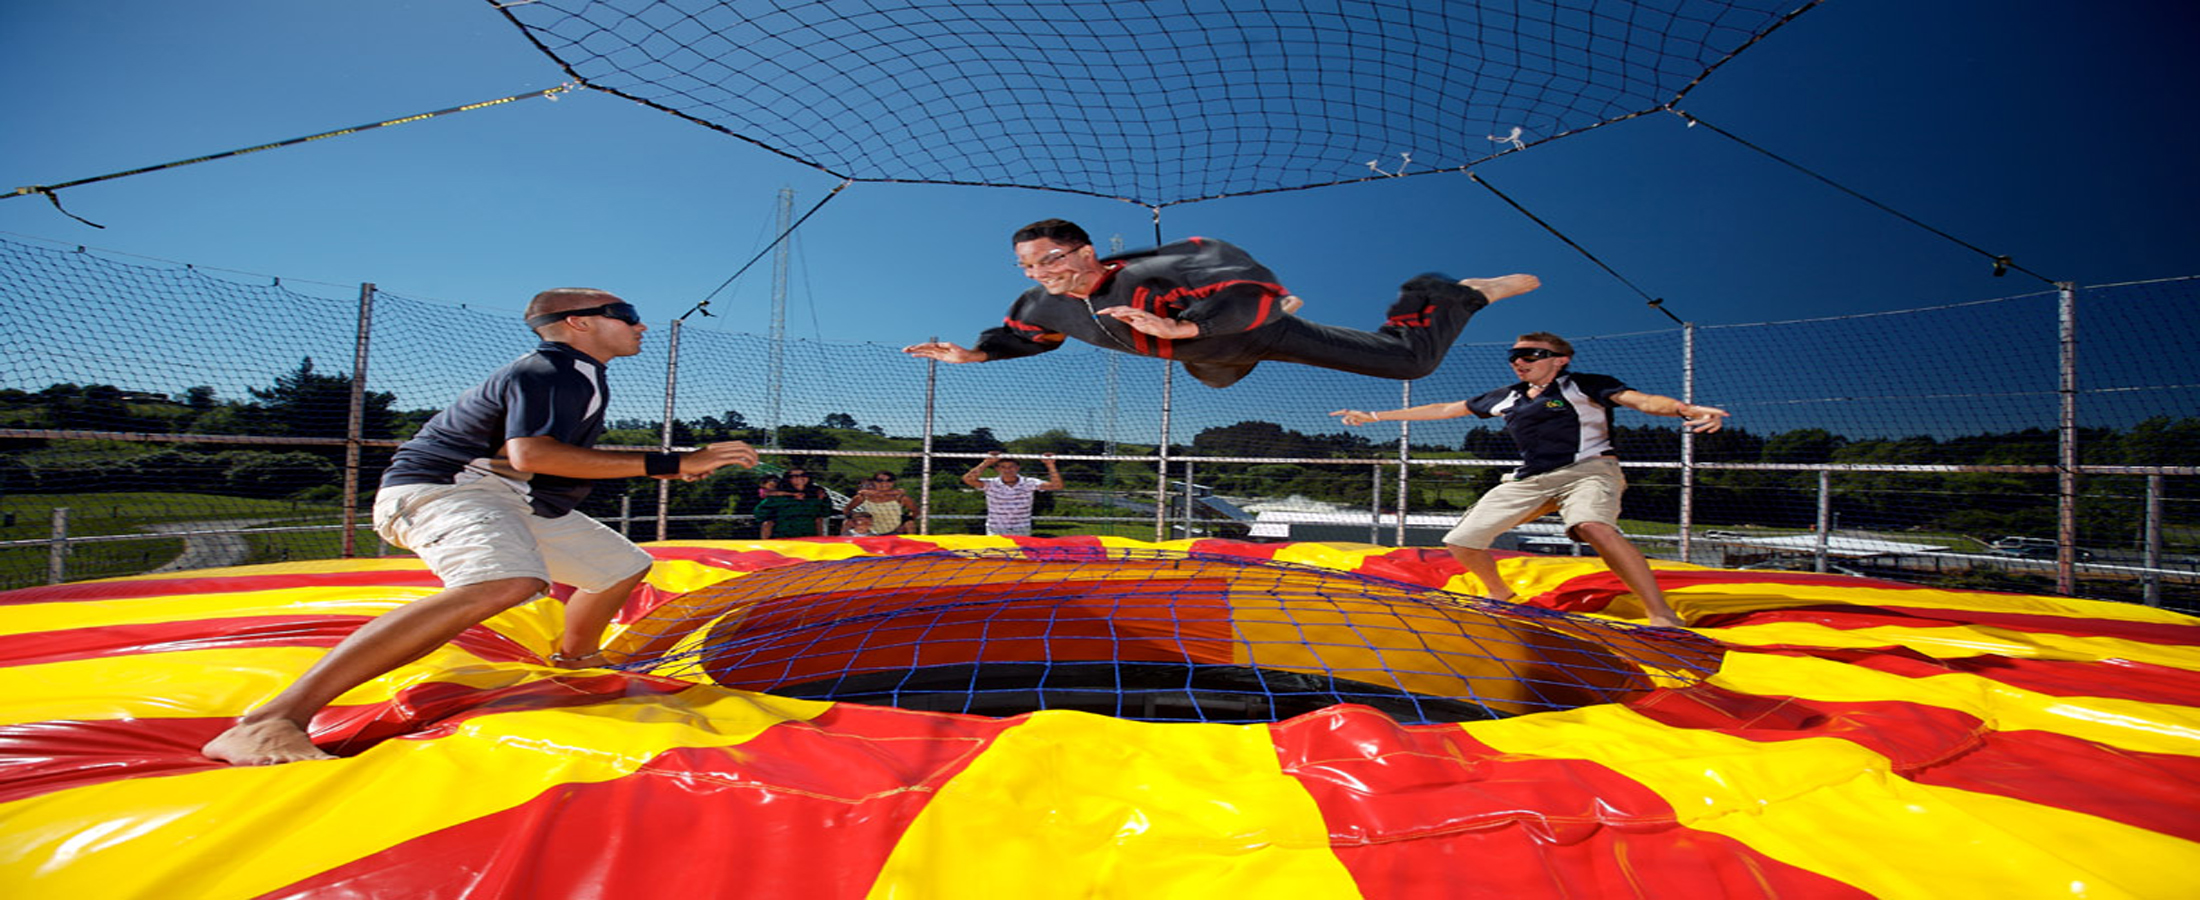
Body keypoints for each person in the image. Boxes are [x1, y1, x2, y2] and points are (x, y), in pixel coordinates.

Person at [202, 288, 759, 766]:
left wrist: (679, 463)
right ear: (579, 322)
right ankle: (271, 719)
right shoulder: (549, 370)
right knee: (505, 583)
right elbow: (531, 453)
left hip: (504, 494)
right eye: (625, 313)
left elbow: (542, 459)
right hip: (439, 488)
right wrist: (675, 462)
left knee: (621, 566)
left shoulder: (579, 374)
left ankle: (576, 660)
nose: (640, 325)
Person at [1330, 332, 1730, 629]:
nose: (1520, 361)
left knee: (1593, 526)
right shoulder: (1508, 396)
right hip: (1532, 479)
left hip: (1589, 471)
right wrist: (1375, 416)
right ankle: (1500, 592)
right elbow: (1446, 408)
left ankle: (1661, 613)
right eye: (1514, 356)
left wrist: (1684, 408)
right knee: (1461, 541)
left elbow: (1641, 401)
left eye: (1532, 355)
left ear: (1560, 359)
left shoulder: (1584, 385)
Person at [903, 218, 1540, 389]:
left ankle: (1436, 292)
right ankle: (1238, 329)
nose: (1045, 274)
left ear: (1086, 251)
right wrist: (975, 354)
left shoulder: (1165, 269)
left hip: (1260, 332)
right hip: (1207, 361)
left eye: (1053, 260)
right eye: (1028, 266)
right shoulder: (1043, 303)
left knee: (1411, 366)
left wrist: (1181, 327)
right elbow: (1023, 335)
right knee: (1214, 377)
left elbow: (1245, 292)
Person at [962, 452, 1063, 536]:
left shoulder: (1029, 482)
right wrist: (987, 462)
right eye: (1003, 467)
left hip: (1021, 527)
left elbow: (1057, 486)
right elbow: (967, 479)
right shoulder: (990, 484)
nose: (1008, 470)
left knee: (1020, 557)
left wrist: (1050, 464)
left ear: (1017, 468)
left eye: (1011, 467)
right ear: (997, 469)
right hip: (996, 528)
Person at [752, 468, 831, 538]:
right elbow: (760, 514)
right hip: (782, 536)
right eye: (795, 476)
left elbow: (826, 513)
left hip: (809, 536)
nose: (800, 478)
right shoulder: (778, 495)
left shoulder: (817, 493)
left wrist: (821, 501)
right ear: (788, 479)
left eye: (803, 475)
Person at [842, 470, 918, 534]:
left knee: (910, 524)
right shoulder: (863, 497)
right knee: (847, 522)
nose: (884, 483)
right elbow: (847, 509)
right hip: (869, 531)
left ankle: (914, 547)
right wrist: (855, 519)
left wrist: (903, 523)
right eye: (880, 480)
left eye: (889, 480)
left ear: (893, 482)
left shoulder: (901, 498)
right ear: (874, 482)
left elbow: (915, 511)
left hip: (894, 530)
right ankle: (843, 545)